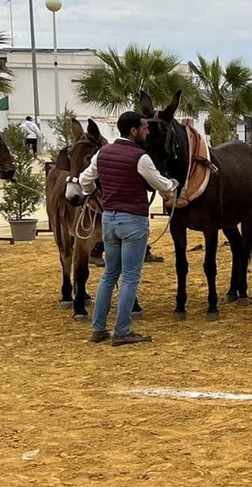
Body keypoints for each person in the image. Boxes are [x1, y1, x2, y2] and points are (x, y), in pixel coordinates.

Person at [78, 110, 185, 346]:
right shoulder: (141, 157)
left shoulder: (102, 153)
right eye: (145, 128)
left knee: (109, 275)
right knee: (130, 277)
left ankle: (98, 328)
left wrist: (97, 192)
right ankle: (123, 331)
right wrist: (174, 183)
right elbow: (161, 183)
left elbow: (85, 181)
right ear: (133, 131)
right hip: (133, 221)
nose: (148, 132)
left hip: (109, 219)